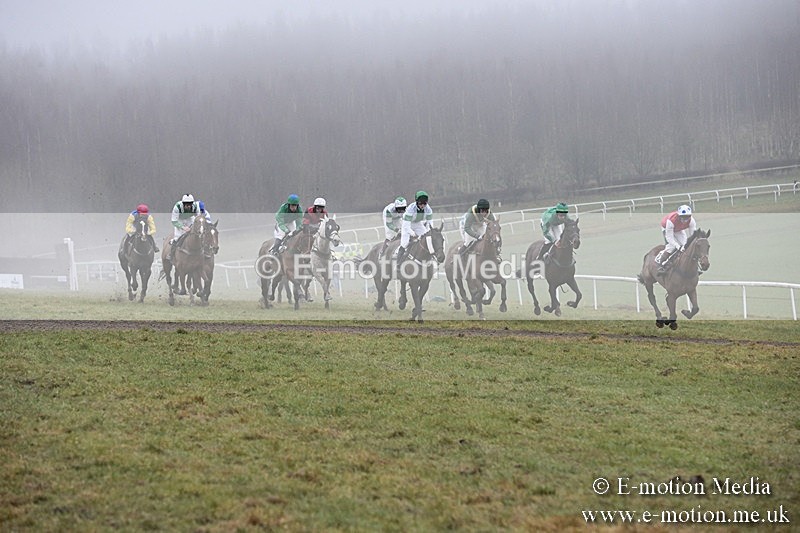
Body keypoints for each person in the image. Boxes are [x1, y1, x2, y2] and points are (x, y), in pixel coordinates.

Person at [655, 204, 698, 275]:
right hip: (667, 228)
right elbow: (669, 238)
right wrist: (678, 246)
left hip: (678, 229)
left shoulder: (691, 221)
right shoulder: (671, 221)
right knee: (671, 247)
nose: (685, 220)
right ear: (679, 216)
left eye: (687, 217)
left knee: (685, 246)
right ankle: (661, 266)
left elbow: (693, 235)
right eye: (683, 217)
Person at [396, 190, 433, 268]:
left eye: (424, 203)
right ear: (417, 202)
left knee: (427, 239)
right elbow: (406, 226)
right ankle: (398, 263)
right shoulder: (410, 209)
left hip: (418, 224)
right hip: (407, 224)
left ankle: (431, 258)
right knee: (404, 243)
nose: (422, 205)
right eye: (420, 203)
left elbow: (430, 224)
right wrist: (413, 234)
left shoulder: (428, 209)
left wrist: (429, 232)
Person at [168, 194, 200, 262]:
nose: (188, 206)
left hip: (190, 218)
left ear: (193, 203)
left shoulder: (196, 206)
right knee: (177, 237)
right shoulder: (177, 207)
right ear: (182, 203)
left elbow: (198, 218)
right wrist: (183, 227)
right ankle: (171, 254)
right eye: (186, 204)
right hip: (179, 219)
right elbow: (174, 221)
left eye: (190, 204)